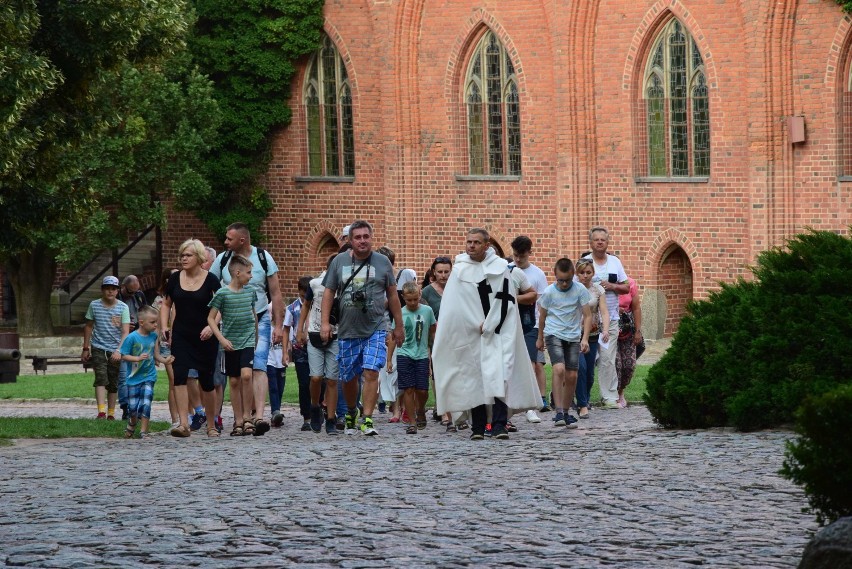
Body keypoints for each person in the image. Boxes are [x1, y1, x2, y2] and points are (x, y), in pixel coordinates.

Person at [432, 228, 541, 440]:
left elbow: (506, 299)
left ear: (486, 245)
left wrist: (490, 324)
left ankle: (499, 425)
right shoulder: (460, 270)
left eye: (476, 242)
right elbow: (454, 306)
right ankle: (478, 427)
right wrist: (471, 325)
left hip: (498, 331)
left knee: (499, 375)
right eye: (468, 242)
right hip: (471, 334)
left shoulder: (501, 268)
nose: (471, 246)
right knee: (476, 378)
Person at [320, 220, 404, 436]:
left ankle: (367, 418)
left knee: (371, 370)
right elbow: (329, 292)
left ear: (371, 238)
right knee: (348, 377)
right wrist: (325, 323)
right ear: (350, 240)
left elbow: (393, 295)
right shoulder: (338, 262)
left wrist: (398, 326)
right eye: (357, 237)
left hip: (376, 327)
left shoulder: (383, 262)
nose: (362, 241)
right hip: (348, 330)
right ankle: (350, 411)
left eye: (366, 236)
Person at [210, 222, 284, 436]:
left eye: (229, 238)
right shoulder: (223, 260)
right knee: (236, 375)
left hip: (258, 318)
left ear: (242, 240)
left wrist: (278, 325)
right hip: (231, 323)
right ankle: (240, 418)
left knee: (258, 366)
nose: (225, 242)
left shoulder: (263, 257)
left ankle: (258, 417)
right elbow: (211, 286)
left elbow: (276, 293)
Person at [159, 239, 221, 437]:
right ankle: (183, 423)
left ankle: (211, 424)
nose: (183, 259)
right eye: (182, 255)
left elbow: (221, 306)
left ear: (199, 257)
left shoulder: (211, 279)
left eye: (188, 255)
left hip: (204, 336)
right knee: (180, 375)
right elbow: (166, 304)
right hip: (181, 335)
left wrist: (212, 326)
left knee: (206, 380)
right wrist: (164, 326)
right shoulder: (175, 279)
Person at [536, 258, 592, 428]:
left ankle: (567, 412)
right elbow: (542, 317)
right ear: (555, 275)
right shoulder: (549, 292)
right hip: (553, 334)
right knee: (559, 369)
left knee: (572, 375)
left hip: (573, 336)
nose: (564, 284)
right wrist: (540, 338)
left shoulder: (580, 290)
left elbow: (588, 315)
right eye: (560, 280)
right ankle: (558, 411)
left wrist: (585, 338)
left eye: (567, 280)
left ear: (572, 276)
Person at [208, 254, 259, 437]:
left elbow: (253, 316)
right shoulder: (222, 293)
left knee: (247, 375)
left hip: (247, 340)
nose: (251, 276)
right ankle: (237, 420)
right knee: (235, 381)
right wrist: (221, 339)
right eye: (248, 272)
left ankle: (247, 417)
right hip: (229, 343)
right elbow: (210, 318)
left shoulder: (250, 292)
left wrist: (256, 337)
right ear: (237, 273)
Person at [583, 227, 630, 409]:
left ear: (608, 242)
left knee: (608, 358)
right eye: (596, 240)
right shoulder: (585, 262)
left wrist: (611, 286)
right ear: (591, 243)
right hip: (587, 319)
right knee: (582, 360)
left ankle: (609, 396)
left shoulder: (615, 262)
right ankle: (576, 396)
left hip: (610, 318)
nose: (600, 242)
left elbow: (626, 287)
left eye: (603, 239)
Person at [297, 254, 340, 435]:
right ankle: (314, 406)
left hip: (336, 335)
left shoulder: (344, 286)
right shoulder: (315, 284)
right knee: (315, 377)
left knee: (331, 379)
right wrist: (301, 329)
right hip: (314, 333)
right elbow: (306, 305)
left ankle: (330, 418)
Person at [510, 235, 550, 420]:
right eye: (516, 255)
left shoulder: (538, 274)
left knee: (533, 364)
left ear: (529, 253)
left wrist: (542, 331)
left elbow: (542, 305)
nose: (518, 260)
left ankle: (531, 405)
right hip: (509, 324)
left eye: (522, 256)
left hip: (531, 324)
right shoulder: (506, 271)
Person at [388, 281, 436, 434]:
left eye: (415, 299)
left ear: (419, 295)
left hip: (422, 355)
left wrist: (436, 351)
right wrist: (389, 359)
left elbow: (434, 331)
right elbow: (394, 338)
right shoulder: (400, 313)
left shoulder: (427, 311)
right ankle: (412, 422)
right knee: (408, 389)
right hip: (404, 354)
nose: (413, 303)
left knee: (422, 390)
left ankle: (420, 409)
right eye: (409, 300)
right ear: (403, 298)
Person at [120, 306, 173, 438]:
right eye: (152, 322)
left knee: (146, 403)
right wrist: (136, 358)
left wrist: (165, 361)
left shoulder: (153, 337)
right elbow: (123, 355)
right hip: (133, 378)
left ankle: (144, 431)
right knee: (132, 408)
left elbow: (156, 354)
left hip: (149, 376)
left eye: (156, 322)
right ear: (141, 322)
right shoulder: (131, 338)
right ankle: (132, 423)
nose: (156, 325)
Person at [82, 276, 130, 420]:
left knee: (113, 381)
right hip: (98, 346)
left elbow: (125, 331)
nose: (110, 292)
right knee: (101, 378)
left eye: (113, 289)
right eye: (107, 289)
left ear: (117, 291)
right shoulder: (94, 305)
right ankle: (101, 411)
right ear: (102, 290)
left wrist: (119, 350)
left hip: (115, 348)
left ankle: (111, 412)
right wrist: (86, 347)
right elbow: (89, 326)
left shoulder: (123, 307)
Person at [574, 258, 610, 419]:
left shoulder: (597, 290)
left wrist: (606, 330)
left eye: (588, 272)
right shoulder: (572, 289)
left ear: (593, 273)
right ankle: (581, 404)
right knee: (579, 368)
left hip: (594, 335)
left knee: (589, 373)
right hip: (575, 334)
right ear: (577, 274)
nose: (585, 276)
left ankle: (585, 399)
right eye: (582, 273)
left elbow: (604, 312)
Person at [281, 276, 313, 430]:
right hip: (299, 349)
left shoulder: (317, 306)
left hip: (315, 347)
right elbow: (286, 329)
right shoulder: (292, 308)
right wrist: (285, 351)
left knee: (320, 380)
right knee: (304, 383)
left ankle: (318, 408)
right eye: (302, 295)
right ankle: (306, 416)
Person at [153, 268, 180, 427]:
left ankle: (189, 415)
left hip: (183, 342)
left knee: (186, 379)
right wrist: (154, 349)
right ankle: (175, 418)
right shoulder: (160, 301)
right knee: (174, 380)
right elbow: (155, 326)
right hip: (166, 345)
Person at [118, 274, 147, 419]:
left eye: (135, 291)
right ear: (123, 287)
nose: (133, 294)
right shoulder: (116, 297)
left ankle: (137, 407)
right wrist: (122, 325)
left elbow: (145, 313)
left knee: (137, 374)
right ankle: (125, 408)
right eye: (130, 292)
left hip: (137, 338)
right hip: (121, 340)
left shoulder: (139, 296)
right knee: (123, 376)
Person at [616, 277, 643, 408]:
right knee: (616, 364)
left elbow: (636, 308)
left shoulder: (630, 283)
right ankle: (612, 394)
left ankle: (621, 391)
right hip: (609, 328)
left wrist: (638, 331)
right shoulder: (604, 283)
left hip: (628, 327)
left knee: (629, 364)